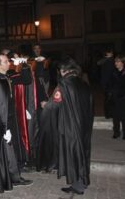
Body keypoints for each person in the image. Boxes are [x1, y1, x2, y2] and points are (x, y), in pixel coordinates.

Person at [40, 58, 93, 195]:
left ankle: (78, 185)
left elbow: (55, 103)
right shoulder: (83, 83)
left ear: (63, 70)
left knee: (73, 153)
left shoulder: (64, 84)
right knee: (82, 152)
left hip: (71, 126)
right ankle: (82, 182)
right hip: (84, 125)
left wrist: (45, 105)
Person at [0, 54, 33, 193]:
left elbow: (26, 80)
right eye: (5, 61)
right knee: (7, 149)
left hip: (11, 118)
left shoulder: (8, 77)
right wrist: (5, 127)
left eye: (8, 61)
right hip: (2, 120)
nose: (9, 63)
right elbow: (0, 105)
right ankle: (12, 178)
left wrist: (24, 65)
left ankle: (14, 176)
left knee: (13, 149)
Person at [108, 55, 125, 140]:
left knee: (124, 116)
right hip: (115, 97)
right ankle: (116, 132)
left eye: (118, 61)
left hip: (124, 97)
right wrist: (110, 91)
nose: (116, 63)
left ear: (123, 62)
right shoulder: (113, 72)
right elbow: (110, 84)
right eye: (115, 61)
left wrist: (123, 94)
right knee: (115, 116)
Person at [97, 49, 116, 119]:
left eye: (110, 53)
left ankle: (109, 114)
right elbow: (98, 63)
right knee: (108, 99)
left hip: (110, 82)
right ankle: (108, 114)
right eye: (108, 53)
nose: (110, 54)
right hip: (107, 83)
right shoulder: (106, 60)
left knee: (110, 99)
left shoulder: (112, 60)